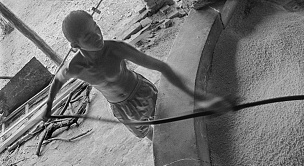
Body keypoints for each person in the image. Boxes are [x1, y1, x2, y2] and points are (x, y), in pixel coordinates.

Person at [44, 10, 233, 140]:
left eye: (96, 27)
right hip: (121, 107)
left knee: (170, 118)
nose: (98, 35)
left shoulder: (116, 49)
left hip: (141, 92)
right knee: (146, 133)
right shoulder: (75, 67)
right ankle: (161, 148)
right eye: (88, 37)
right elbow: (58, 80)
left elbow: (162, 67)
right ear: (75, 46)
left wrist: (198, 97)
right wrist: (48, 105)